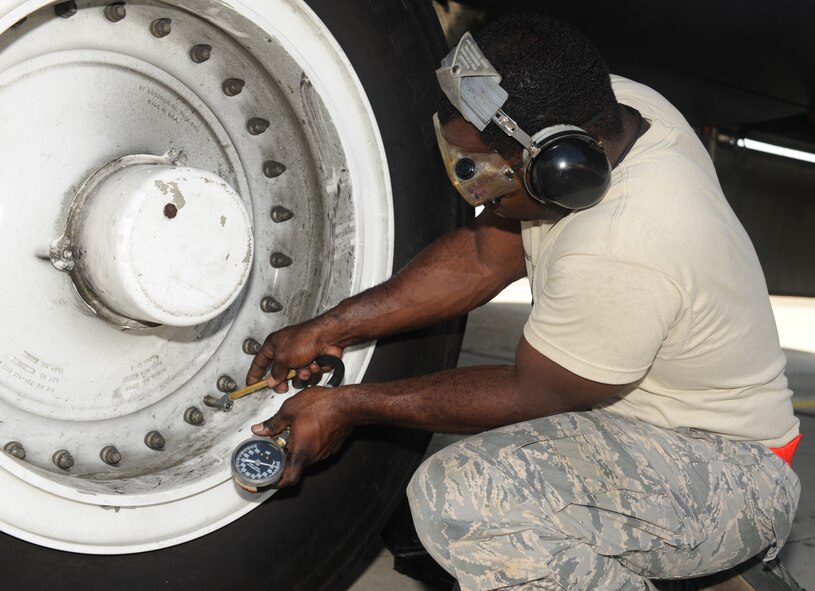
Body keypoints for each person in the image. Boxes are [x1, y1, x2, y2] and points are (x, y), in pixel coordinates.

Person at [246, 13, 801, 591]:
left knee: (466, 499)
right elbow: (484, 259)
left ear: (556, 170)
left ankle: (705, 559)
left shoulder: (623, 244)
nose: (469, 187)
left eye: (480, 168)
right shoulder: (617, 111)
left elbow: (528, 393)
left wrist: (346, 406)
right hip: (639, 430)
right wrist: (329, 328)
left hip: (731, 470)